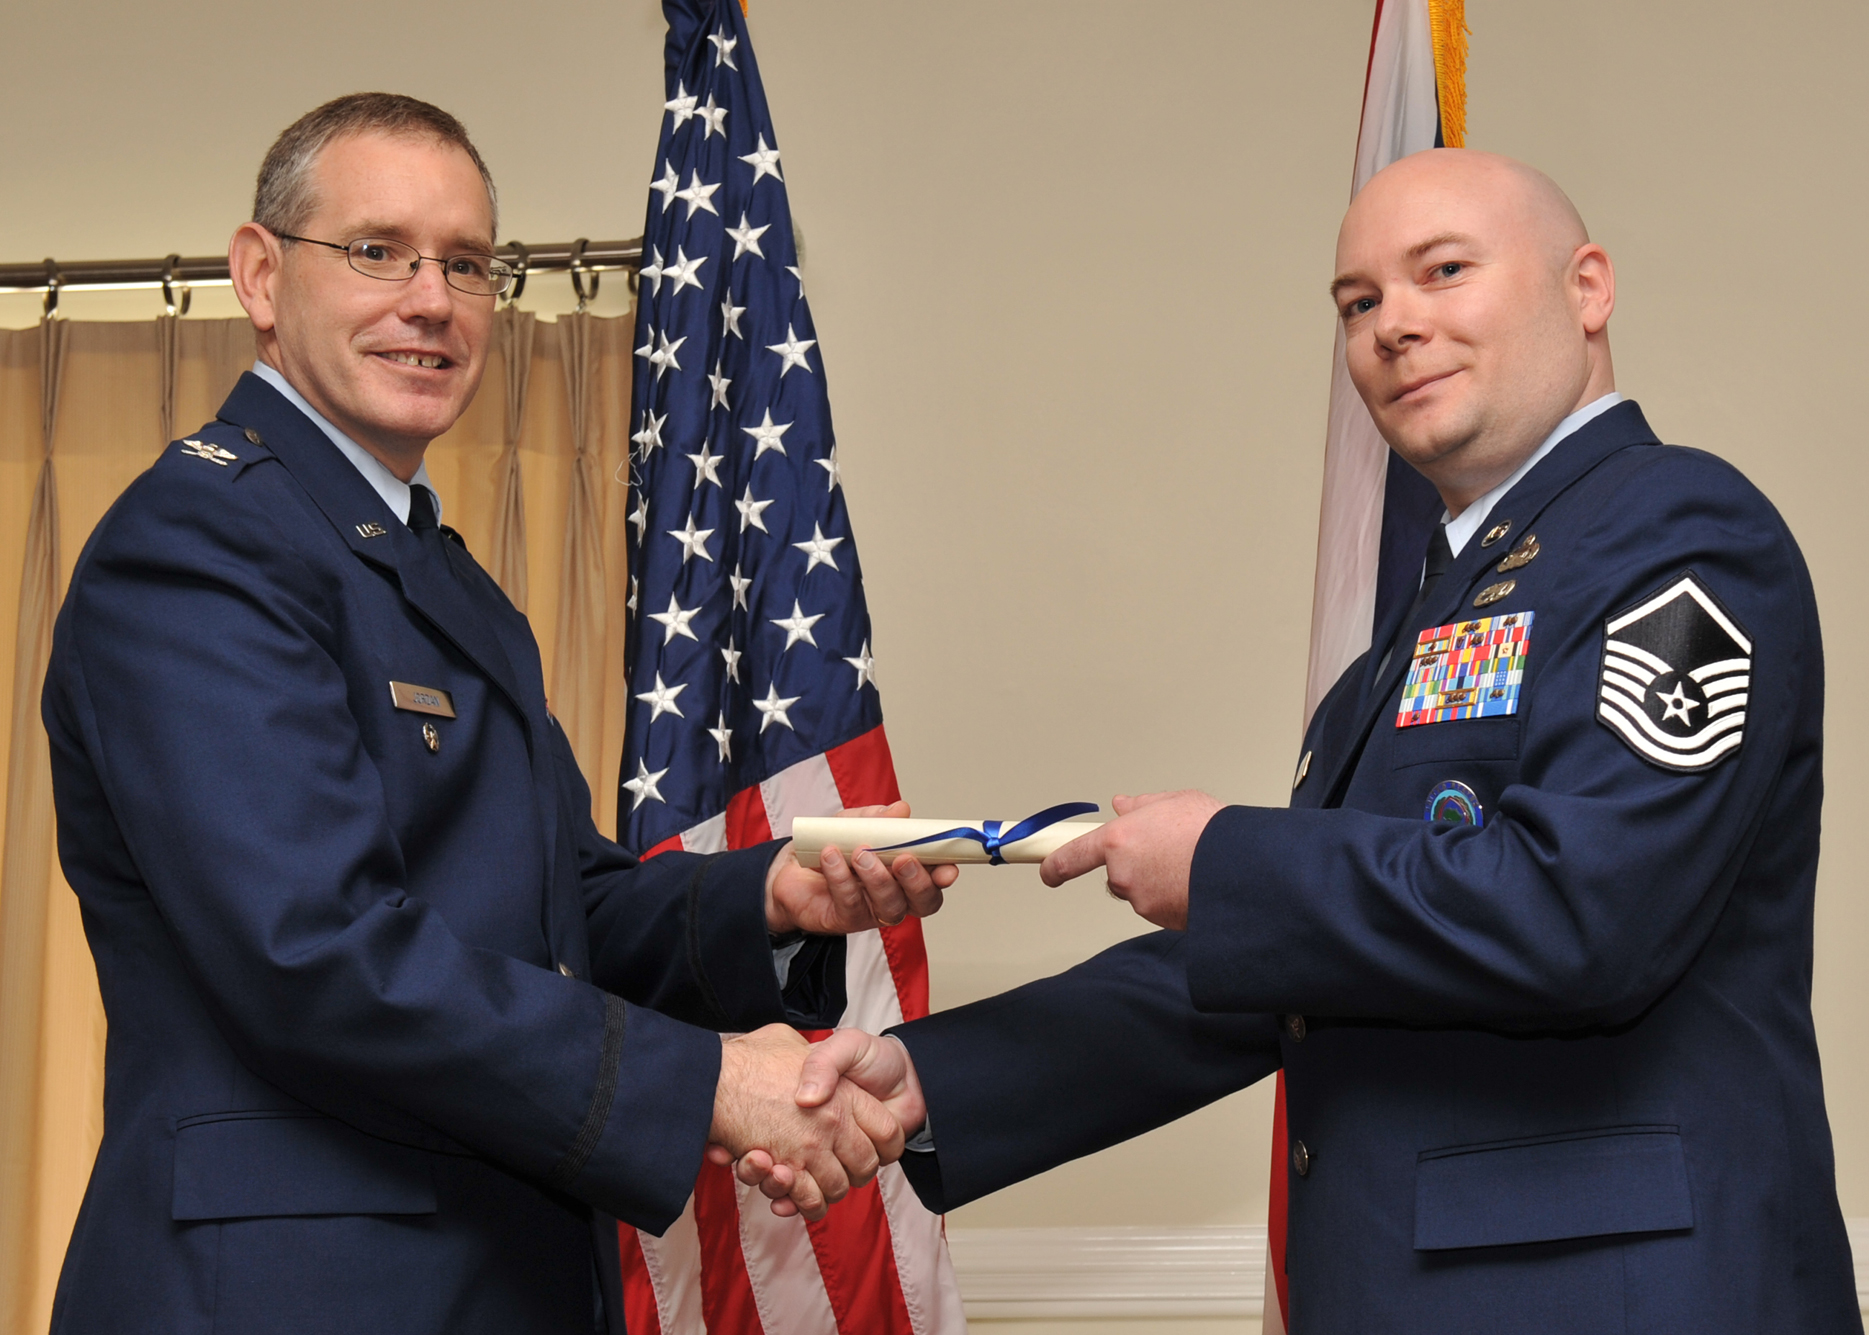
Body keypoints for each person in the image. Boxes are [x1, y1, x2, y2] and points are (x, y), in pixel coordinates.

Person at [736, 148, 1860, 1332]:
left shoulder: (1679, 530)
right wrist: (927, 1080)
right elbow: (1293, 973)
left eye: (1444, 271)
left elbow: (1582, 910)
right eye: (1358, 302)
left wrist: (1223, 860)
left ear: (1587, 288)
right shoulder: (1407, 644)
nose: (1394, 326)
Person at [41, 93, 949, 1335]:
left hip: (488, 1278)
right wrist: (708, 1083)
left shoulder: (435, 573)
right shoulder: (201, 542)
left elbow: (559, 912)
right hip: (290, 1297)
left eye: (467, 264)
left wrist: (774, 896)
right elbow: (318, 955)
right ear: (259, 275)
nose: (432, 300)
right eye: (378, 251)